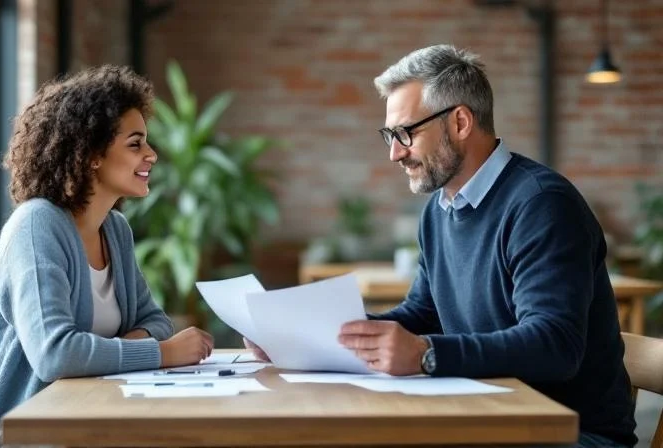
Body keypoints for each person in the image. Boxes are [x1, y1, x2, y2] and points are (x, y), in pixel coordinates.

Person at [246, 45, 637, 448]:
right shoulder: (440, 210)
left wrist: (426, 355)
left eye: (405, 133)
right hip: (486, 418)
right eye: (389, 136)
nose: (395, 153)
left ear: (461, 122)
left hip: (572, 434)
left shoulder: (541, 204)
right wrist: (307, 336)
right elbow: (423, 314)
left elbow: (555, 345)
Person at [0, 65, 215, 448]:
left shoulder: (115, 230)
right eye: (135, 144)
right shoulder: (37, 226)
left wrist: (134, 345)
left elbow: (154, 319)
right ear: (91, 155)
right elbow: (55, 354)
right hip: (8, 437)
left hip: (80, 423)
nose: (151, 154)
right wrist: (161, 353)